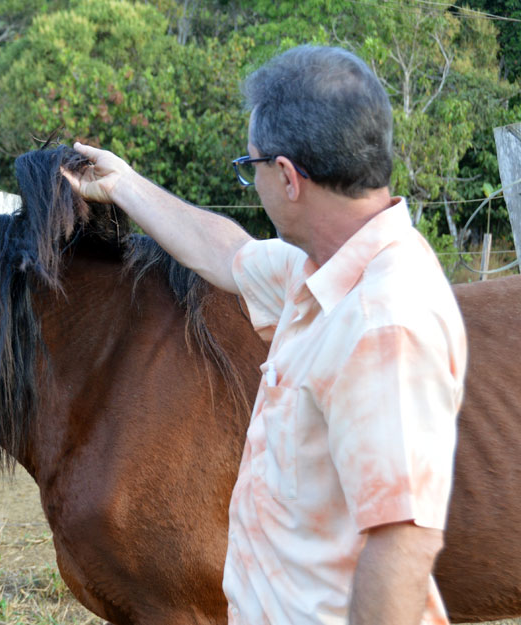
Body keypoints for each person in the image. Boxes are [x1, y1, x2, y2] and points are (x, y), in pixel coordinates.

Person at [63, 45, 467, 625]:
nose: (250, 179)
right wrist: (125, 185)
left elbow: (401, 545)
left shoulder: (384, 322)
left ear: (287, 177)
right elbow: (228, 255)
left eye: (248, 165)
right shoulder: (323, 271)